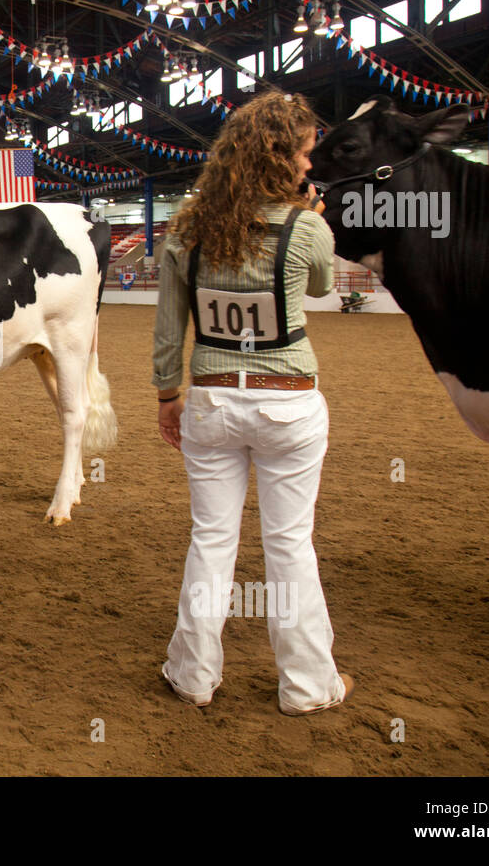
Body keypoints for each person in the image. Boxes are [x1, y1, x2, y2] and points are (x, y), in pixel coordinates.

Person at [153, 91, 353, 716]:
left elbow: (168, 328)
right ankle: (305, 685)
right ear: (278, 158)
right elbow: (321, 286)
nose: (308, 168)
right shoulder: (308, 227)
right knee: (290, 544)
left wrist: (167, 394)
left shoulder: (187, 228)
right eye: (302, 155)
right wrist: (307, 212)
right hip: (288, 401)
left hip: (211, 400)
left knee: (211, 539)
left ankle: (192, 674)